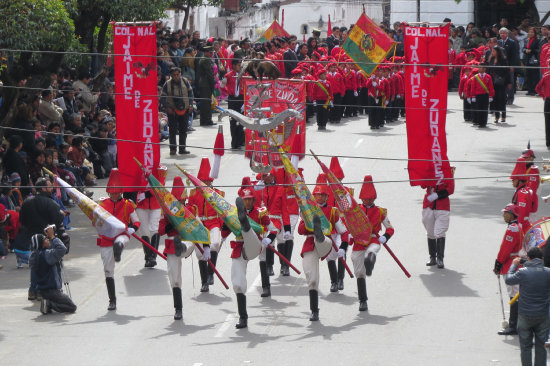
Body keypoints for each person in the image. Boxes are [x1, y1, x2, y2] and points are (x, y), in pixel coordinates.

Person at [221, 189, 277, 329]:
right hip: (240, 247)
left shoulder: (260, 212)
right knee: (238, 284)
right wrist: (225, 221)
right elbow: (223, 234)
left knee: (259, 250)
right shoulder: (232, 214)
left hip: (255, 244)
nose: (248, 202)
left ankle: (266, 286)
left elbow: (274, 229)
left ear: (254, 200)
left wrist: (268, 240)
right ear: (242, 200)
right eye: (245, 199)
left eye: (250, 199)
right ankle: (243, 318)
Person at [298, 177, 348, 321]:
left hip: (327, 243)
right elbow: (301, 230)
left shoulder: (333, 211)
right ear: (314, 196)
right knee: (312, 280)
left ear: (327, 196)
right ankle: (314, 311)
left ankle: (319, 234)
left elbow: (343, 232)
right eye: (317, 194)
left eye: (322, 195)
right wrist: (309, 227)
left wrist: (343, 247)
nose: (320, 197)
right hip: (310, 244)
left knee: (323, 240)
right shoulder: (306, 210)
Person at [97, 169, 141, 310]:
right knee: (108, 271)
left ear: (121, 192)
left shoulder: (128, 204)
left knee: (120, 241)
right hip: (105, 239)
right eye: (112, 192)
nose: (114, 195)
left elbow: (137, 222)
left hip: (122, 235)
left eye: (117, 192)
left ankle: (118, 249)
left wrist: (132, 229)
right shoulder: (102, 204)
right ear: (108, 192)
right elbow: (96, 222)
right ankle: (112, 300)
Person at [351, 175, 394, 311]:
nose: (367, 201)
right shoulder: (355, 210)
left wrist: (385, 237)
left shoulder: (381, 211)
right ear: (361, 198)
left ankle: (370, 260)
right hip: (358, 242)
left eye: (370, 198)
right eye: (365, 198)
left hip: (373, 239)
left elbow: (390, 228)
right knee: (359, 273)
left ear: (374, 198)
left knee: (372, 250)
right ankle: (362, 301)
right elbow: (349, 225)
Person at [505, 247, 550, 366]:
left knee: (525, 347)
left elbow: (509, 279)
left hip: (525, 315)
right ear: (542, 258)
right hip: (543, 315)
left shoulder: (523, 272)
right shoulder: (548, 272)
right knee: (541, 346)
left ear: (528, 258)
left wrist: (514, 265)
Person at [187, 158, 223, 292]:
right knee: (200, 252)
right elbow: (189, 210)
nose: (206, 183)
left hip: (213, 223)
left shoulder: (217, 194)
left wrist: (222, 228)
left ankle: (211, 274)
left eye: (208, 180)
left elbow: (223, 212)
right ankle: (204, 282)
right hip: (199, 225)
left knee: (215, 244)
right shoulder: (193, 194)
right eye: (203, 181)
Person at [30, 227, 76, 315]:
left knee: (62, 301)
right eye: (45, 239)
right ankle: (49, 304)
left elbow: (44, 250)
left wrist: (49, 240)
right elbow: (62, 249)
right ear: (42, 244)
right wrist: (53, 237)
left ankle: (47, 303)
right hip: (52, 290)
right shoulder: (47, 255)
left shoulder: (34, 255)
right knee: (72, 307)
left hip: (42, 290)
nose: (48, 239)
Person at [494, 203, 523, 336]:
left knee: (514, 295)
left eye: (506, 213)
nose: (503, 215)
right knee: (515, 294)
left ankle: (513, 325)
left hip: (510, 263)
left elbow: (505, 249)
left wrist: (498, 264)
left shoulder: (513, 228)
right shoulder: (517, 227)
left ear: (512, 215)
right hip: (516, 262)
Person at [422, 166, 455, 269]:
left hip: (442, 205)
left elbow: (451, 189)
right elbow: (422, 185)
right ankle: (432, 257)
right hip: (429, 204)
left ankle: (440, 258)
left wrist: (438, 195)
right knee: (430, 231)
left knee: (440, 231)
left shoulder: (448, 170)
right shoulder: (428, 168)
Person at [136, 166, 166, 268]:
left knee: (154, 229)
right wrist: (138, 195)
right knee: (144, 231)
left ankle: (153, 257)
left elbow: (160, 186)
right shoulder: (137, 168)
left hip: (155, 203)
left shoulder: (161, 169)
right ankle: (148, 256)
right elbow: (132, 185)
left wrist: (147, 194)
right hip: (140, 203)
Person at [161, 67, 194, 155]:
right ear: (171, 75)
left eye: (178, 75)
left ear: (180, 74)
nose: (176, 77)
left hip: (185, 109)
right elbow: (163, 98)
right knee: (172, 130)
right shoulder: (166, 84)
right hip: (172, 110)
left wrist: (191, 105)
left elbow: (191, 94)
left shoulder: (185, 81)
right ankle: (173, 149)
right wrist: (167, 107)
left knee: (183, 130)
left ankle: (182, 148)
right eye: (174, 75)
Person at [487, 46, 510, 123]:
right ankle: (496, 117)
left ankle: (503, 115)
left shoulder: (503, 60)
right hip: (493, 82)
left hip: (501, 82)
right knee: (495, 99)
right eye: (492, 51)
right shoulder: (491, 60)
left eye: (494, 51)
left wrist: (509, 82)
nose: (492, 52)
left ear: (498, 52)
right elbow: (488, 70)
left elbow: (507, 72)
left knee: (502, 98)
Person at [469, 63, 494, 127]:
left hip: (485, 95)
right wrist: (473, 96)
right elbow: (473, 87)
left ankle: (484, 122)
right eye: (479, 67)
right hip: (478, 95)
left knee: (485, 109)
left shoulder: (488, 77)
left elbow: (491, 87)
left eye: (481, 67)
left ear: (484, 69)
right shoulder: (475, 77)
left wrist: (491, 96)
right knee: (479, 109)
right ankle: (480, 122)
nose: (479, 69)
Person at [198, 46, 216, 126]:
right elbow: (209, 74)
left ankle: (206, 120)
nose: (211, 54)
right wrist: (213, 83)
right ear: (206, 52)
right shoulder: (205, 60)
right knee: (206, 104)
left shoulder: (204, 59)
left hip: (205, 83)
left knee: (206, 103)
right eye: (210, 52)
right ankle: (206, 120)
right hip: (206, 83)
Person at [522, 27, 540, 96]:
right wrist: (525, 51)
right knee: (528, 75)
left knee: (535, 76)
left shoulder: (538, 40)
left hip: (534, 60)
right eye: (529, 32)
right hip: (527, 60)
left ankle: (535, 90)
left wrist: (531, 50)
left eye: (532, 32)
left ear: (535, 33)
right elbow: (523, 48)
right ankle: (530, 90)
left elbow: (538, 50)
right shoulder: (526, 40)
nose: (530, 33)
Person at [535, 67, 550, 149]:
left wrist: (543, 95)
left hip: (547, 100)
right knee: (548, 122)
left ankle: (548, 143)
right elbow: (537, 88)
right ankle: (548, 143)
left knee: (548, 122)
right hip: (548, 100)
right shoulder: (546, 77)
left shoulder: (545, 76)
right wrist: (543, 95)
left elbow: (537, 88)